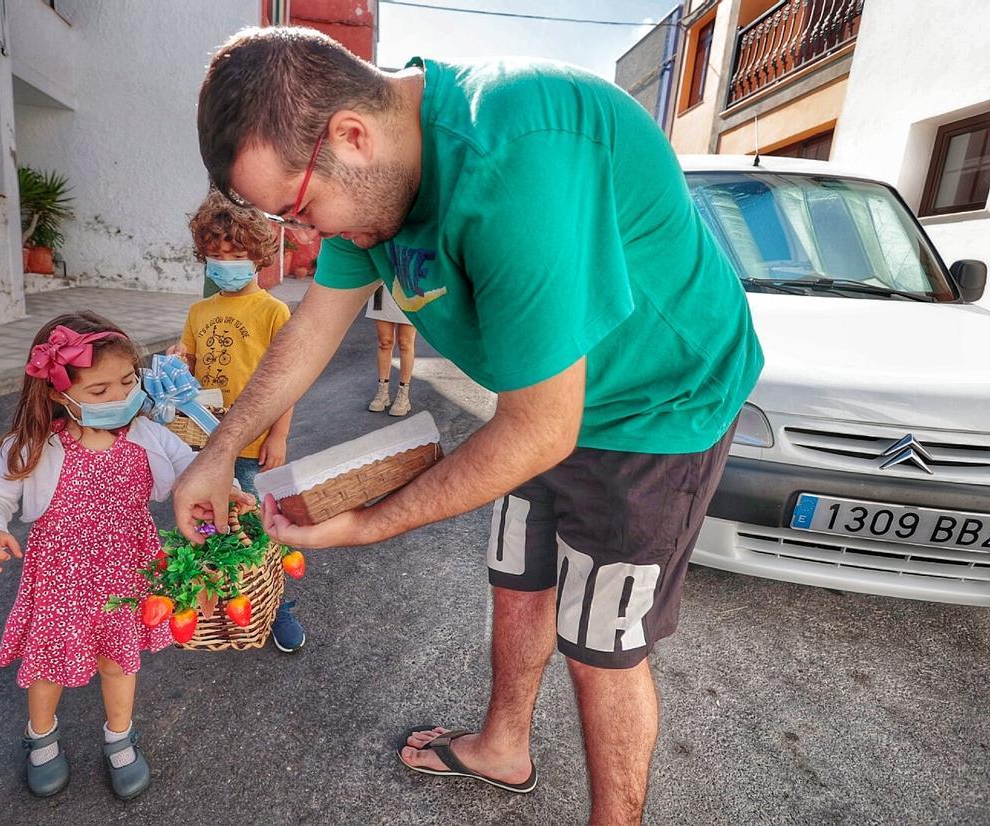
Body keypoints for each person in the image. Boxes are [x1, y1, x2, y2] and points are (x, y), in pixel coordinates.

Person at [180, 27, 764, 824]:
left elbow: (541, 431)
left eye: (299, 209)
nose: (310, 237)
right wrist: (217, 454)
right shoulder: (373, 192)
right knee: (519, 580)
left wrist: (368, 526)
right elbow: (311, 330)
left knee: (600, 642)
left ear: (350, 135)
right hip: (544, 400)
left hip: (655, 406)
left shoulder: (517, 150)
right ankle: (504, 745)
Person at [0, 311, 250, 800]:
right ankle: (42, 738)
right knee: (50, 665)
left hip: (128, 576)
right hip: (60, 584)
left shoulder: (150, 438)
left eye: (128, 381)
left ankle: (120, 738)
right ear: (57, 391)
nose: (120, 397)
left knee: (120, 662)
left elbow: (197, 472)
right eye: (99, 391)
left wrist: (225, 490)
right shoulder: (33, 447)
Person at [167, 189, 305, 653]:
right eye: (215, 255)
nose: (225, 262)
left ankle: (278, 608)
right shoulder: (199, 311)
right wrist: (177, 365)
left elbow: (286, 379)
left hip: (254, 444)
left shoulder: (272, 311)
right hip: (205, 444)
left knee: (261, 530)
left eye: (236, 254)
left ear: (259, 256)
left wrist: (280, 435)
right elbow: (190, 369)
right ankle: (227, 608)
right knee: (213, 527)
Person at [365, 283, 416, 416]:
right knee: (384, 342)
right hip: (382, 286)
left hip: (409, 286)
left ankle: (403, 396)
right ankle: (382, 393)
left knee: (405, 342)